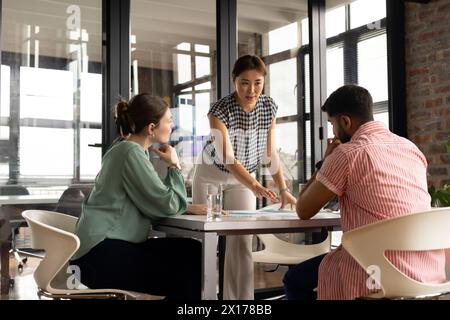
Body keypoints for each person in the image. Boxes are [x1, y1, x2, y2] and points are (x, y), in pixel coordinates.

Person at [283, 84, 446, 300]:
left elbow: (303, 209)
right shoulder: (411, 149)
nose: (332, 132)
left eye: (332, 124)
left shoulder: (347, 154)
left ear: (345, 121)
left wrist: (325, 162)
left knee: (294, 280)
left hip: (372, 271)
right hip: (425, 269)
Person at [70, 93, 203, 300]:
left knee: (190, 251)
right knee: (184, 269)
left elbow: (152, 199)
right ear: (151, 128)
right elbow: (166, 204)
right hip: (99, 255)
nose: (173, 125)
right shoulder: (131, 153)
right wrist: (174, 166)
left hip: (96, 250)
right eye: (169, 120)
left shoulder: (123, 148)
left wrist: (186, 206)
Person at [192, 55, 297, 300]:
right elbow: (228, 157)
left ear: (264, 82)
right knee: (205, 242)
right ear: (234, 81)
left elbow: (270, 153)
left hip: (244, 177)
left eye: (257, 82)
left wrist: (282, 190)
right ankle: (202, 300)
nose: (251, 90)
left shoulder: (269, 107)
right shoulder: (219, 110)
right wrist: (255, 185)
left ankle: (241, 303)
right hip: (211, 174)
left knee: (241, 242)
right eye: (244, 83)